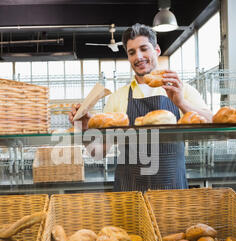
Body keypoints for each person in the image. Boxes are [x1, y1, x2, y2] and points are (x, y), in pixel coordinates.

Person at [69, 23, 212, 192]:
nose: (138, 56)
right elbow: (98, 153)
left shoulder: (180, 89)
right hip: (129, 190)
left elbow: (211, 122)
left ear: (157, 50)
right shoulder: (118, 97)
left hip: (171, 190)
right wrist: (85, 128)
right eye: (132, 52)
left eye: (144, 49)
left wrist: (181, 102)